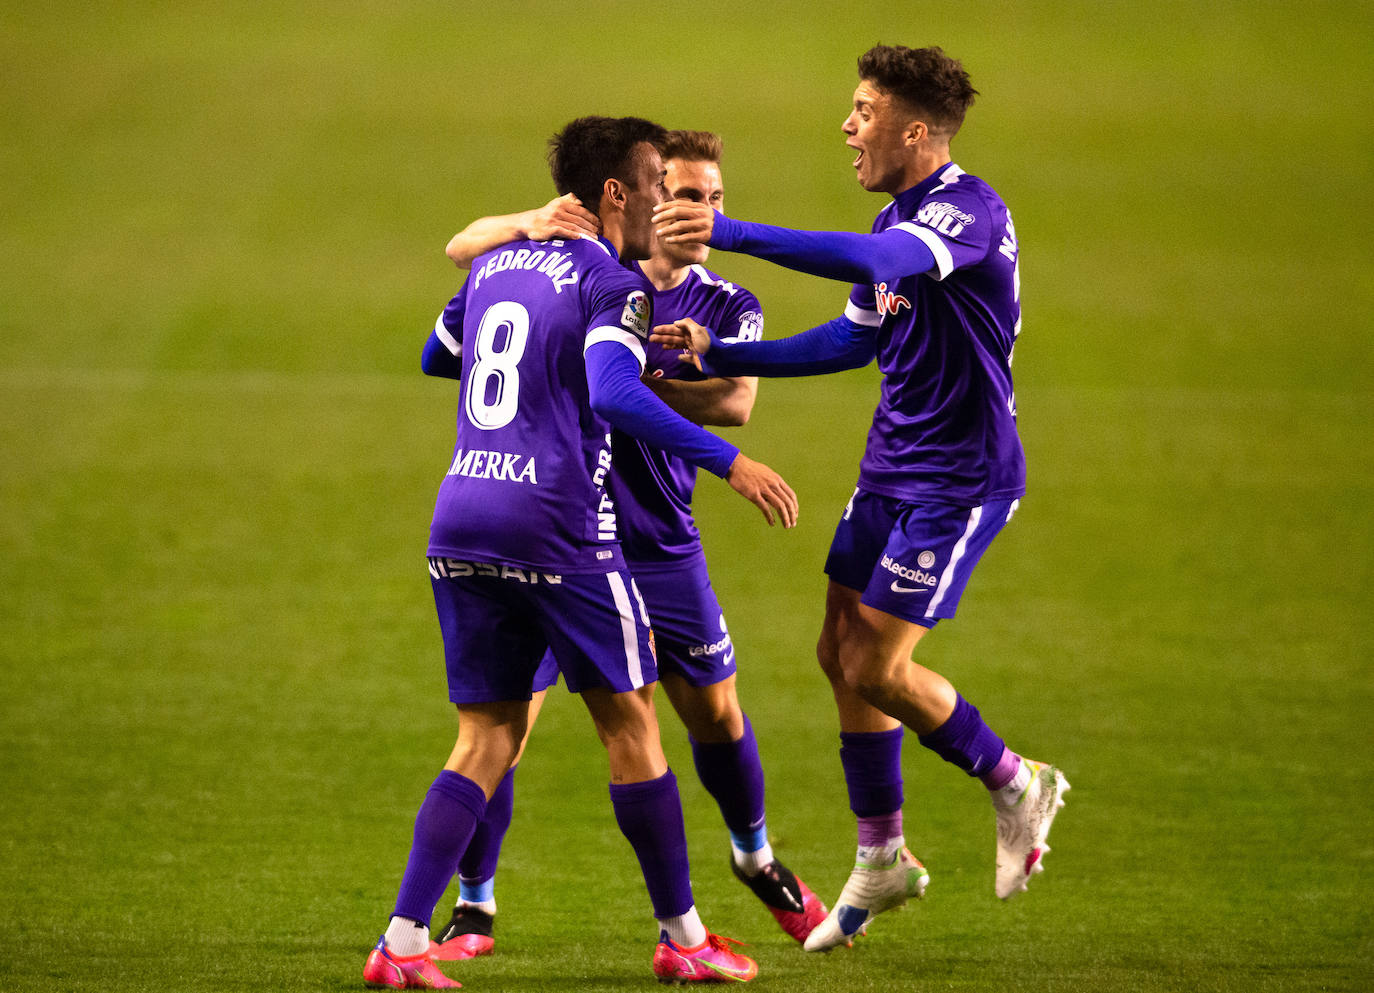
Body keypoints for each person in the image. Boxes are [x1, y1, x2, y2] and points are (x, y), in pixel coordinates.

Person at [362, 115, 797, 990]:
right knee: (633, 723)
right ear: (616, 194)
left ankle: (402, 942)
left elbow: (433, 354)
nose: (662, 206)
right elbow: (612, 393)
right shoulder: (611, 281)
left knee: (485, 734)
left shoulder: (497, 262)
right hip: (557, 524)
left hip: (461, 513)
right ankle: (683, 936)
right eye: (652, 185)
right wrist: (732, 463)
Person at [651, 45, 1070, 952]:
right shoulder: (899, 218)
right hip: (891, 467)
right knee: (838, 651)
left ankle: (1015, 779)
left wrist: (726, 233)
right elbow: (849, 341)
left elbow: (869, 258)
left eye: (863, 111)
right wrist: (719, 355)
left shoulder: (963, 212)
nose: (848, 126)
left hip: (958, 479)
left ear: (914, 130)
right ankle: (881, 854)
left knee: (880, 667)